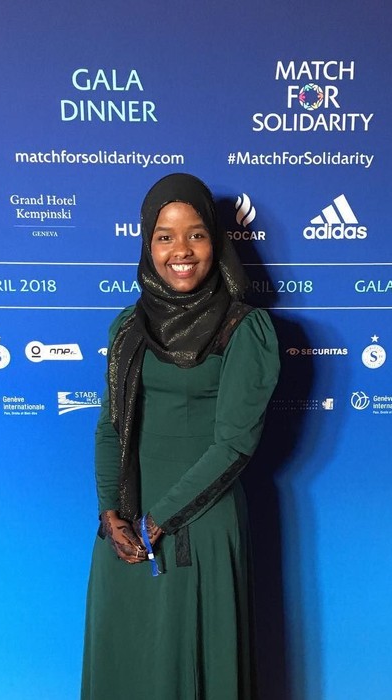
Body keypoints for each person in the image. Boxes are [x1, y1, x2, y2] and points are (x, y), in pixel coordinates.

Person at [81, 173, 280, 700]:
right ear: (148, 245)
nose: (181, 251)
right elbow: (110, 425)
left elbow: (234, 445)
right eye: (165, 236)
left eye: (196, 234)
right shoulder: (127, 326)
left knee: (193, 663)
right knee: (126, 660)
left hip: (199, 521)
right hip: (126, 528)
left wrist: (158, 522)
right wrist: (111, 515)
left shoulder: (244, 328)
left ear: (216, 241)